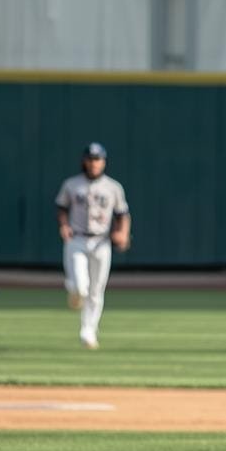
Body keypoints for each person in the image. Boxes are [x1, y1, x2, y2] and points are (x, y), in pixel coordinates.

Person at [55, 142, 131, 350]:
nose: (94, 163)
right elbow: (61, 208)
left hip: (102, 241)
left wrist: (123, 233)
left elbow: (122, 214)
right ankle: (74, 290)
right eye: (91, 159)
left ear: (103, 161)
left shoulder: (113, 187)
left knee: (96, 290)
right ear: (84, 161)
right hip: (77, 238)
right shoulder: (72, 184)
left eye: (98, 159)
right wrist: (63, 225)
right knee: (81, 285)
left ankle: (88, 330)